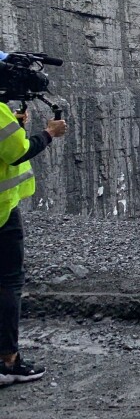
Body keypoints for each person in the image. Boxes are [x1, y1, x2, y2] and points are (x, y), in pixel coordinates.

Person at [0, 50, 67, 386]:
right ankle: (7, 362)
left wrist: (16, 126)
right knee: (8, 283)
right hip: (0, 214)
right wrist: (49, 134)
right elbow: (18, 152)